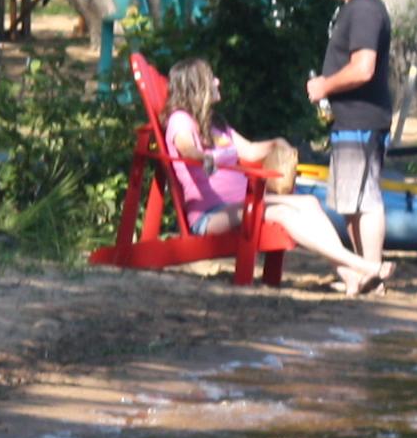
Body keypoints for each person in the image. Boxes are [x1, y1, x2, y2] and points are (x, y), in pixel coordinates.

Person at [161, 57, 383, 293]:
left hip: (243, 204)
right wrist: (201, 157)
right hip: (211, 215)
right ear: (196, 87)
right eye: (210, 78)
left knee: (308, 202)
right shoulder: (180, 119)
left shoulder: (216, 124)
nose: (217, 81)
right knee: (282, 213)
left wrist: (276, 143)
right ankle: (363, 265)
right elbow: (185, 146)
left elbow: (249, 150)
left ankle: (348, 275)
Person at [299, 0, 392, 278]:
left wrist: (324, 85)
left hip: (362, 121)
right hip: (351, 120)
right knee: (351, 202)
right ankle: (367, 271)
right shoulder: (355, 8)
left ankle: (373, 272)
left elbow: (364, 67)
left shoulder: (366, 10)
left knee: (364, 200)